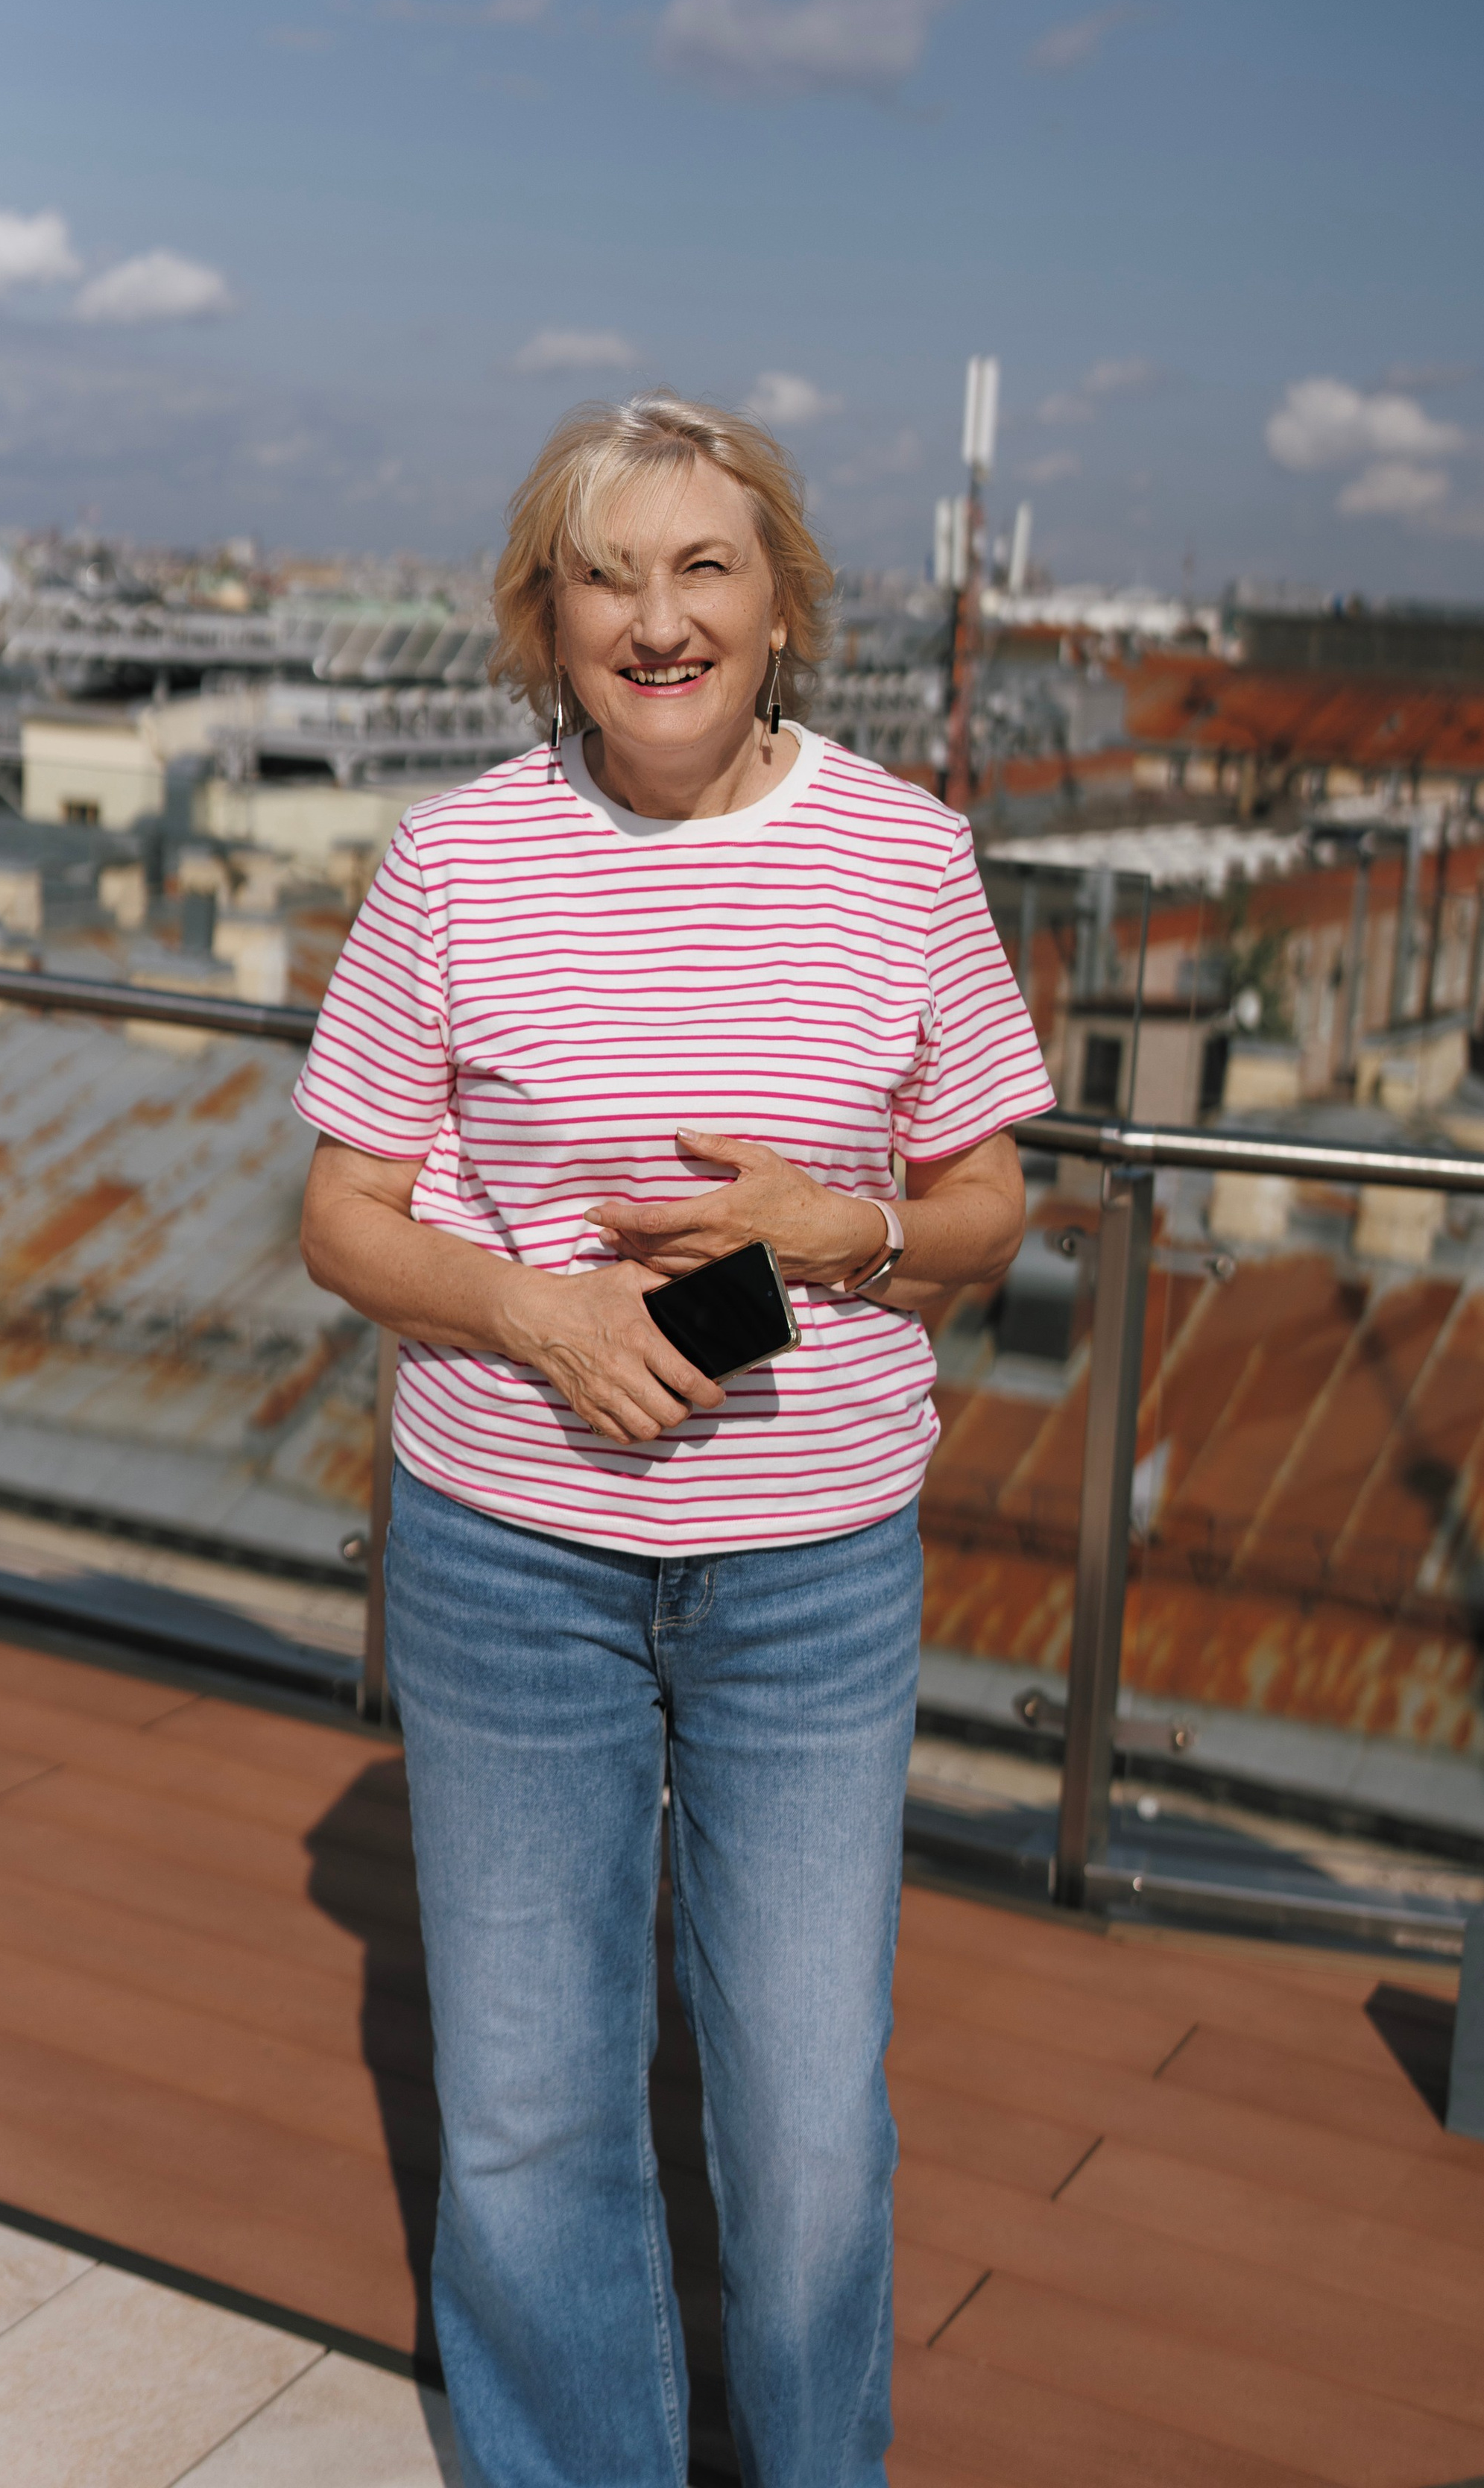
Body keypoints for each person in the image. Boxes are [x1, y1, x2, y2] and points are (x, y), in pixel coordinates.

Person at [297, 393, 1053, 2488]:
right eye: (606, 576)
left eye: (702, 567)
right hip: (504, 1556)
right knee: (534, 2116)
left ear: (783, 600)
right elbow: (342, 1212)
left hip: (811, 1576)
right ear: (544, 621)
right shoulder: (452, 859)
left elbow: (989, 1205)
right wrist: (538, 1310)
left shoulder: (905, 853)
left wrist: (848, 1228)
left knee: (806, 2123)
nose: (657, 619)